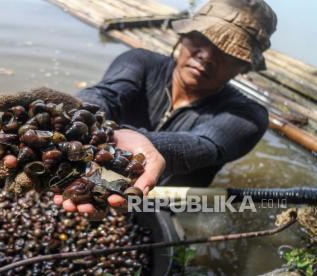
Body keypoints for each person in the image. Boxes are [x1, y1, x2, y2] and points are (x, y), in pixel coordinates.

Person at [53, 0, 278, 214]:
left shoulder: (248, 116)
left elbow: (203, 145)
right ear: (183, 36)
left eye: (227, 52)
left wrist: (137, 146)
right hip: (95, 177)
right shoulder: (140, 62)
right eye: (201, 38)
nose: (207, 56)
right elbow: (106, 94)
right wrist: (80, 116)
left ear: (245, 66)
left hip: (164, 204)